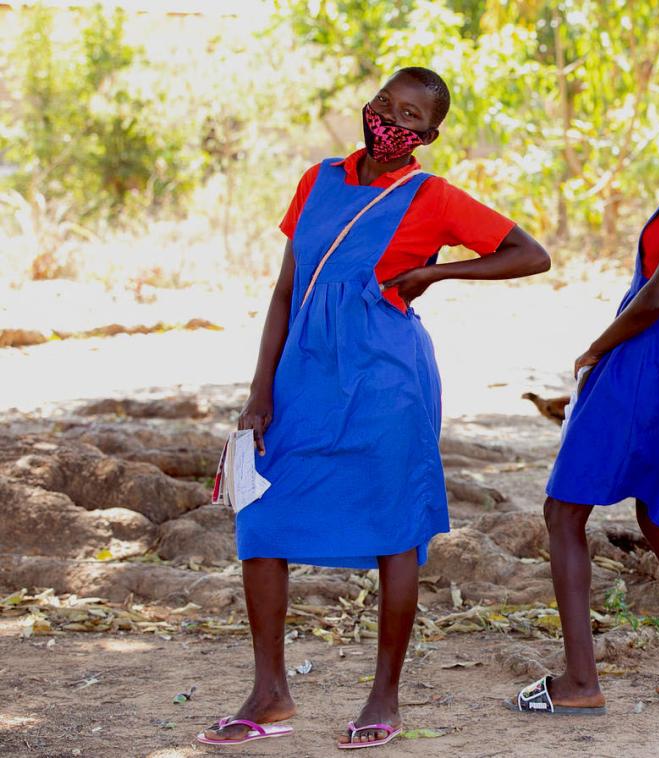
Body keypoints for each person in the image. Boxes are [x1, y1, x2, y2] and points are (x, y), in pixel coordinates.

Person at [199, 67, 549, 749]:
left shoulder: (433, 195)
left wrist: (435, 273)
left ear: (431, 135)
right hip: (301, 377)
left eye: (411, 116)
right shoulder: (317, 179)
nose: (391, 119)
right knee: (261, 518)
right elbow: (283, 291)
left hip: (390, 384)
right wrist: (258, 390)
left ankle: (383, 699)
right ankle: (269, 693)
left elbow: (528, 254)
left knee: (395, 532)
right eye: (387, 104)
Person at [510, 72, 659, 716]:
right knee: (658, 513)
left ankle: (580, 684)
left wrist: (598, 348)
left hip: (651, 347)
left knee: (565, 511)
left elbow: (657, 295)